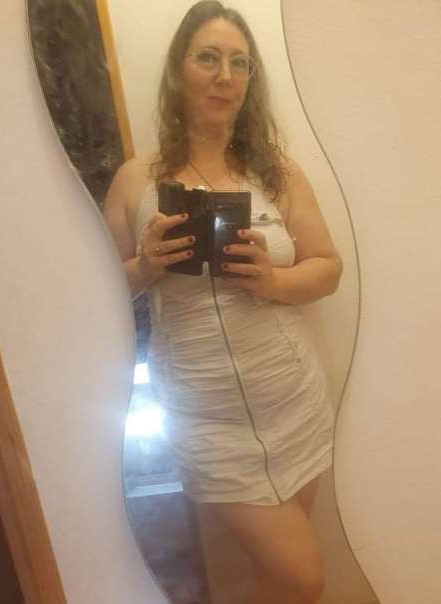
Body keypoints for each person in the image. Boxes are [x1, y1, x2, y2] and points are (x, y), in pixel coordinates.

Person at [104, 2, 343, 603]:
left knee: (279, 580)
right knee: (302, 577)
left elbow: (328, 268)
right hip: (204, 419)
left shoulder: (278, 174)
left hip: (294, 401)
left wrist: (270, 280)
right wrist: (147, 265)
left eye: (240, 63)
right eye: (208, 58)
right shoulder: (135, 181)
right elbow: (95, 298)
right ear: (178, 70)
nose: (225, 75)